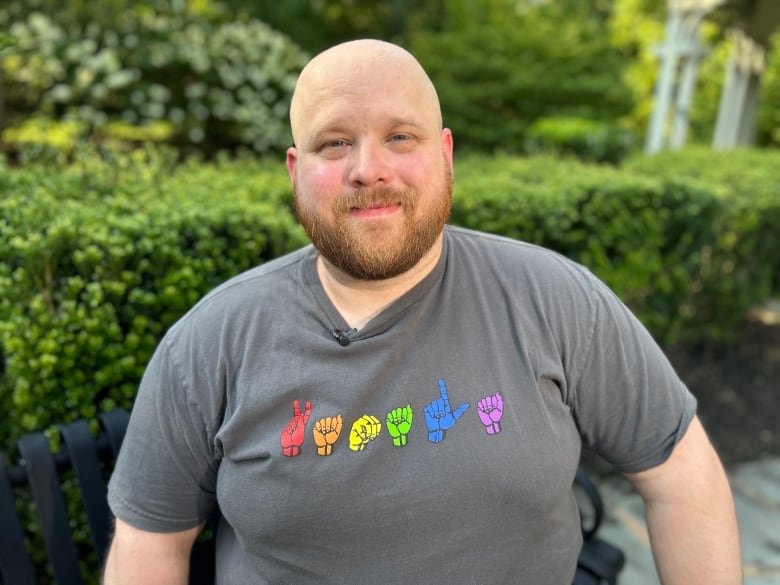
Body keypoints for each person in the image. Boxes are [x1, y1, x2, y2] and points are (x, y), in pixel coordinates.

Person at [103, 39, 742, 585]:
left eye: (399, 136)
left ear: (444, 153)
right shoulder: (212, 341)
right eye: (334, 143)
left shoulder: (556, 301)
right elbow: (150, 545)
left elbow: (681, 473)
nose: (368, 169)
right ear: (296, 171)